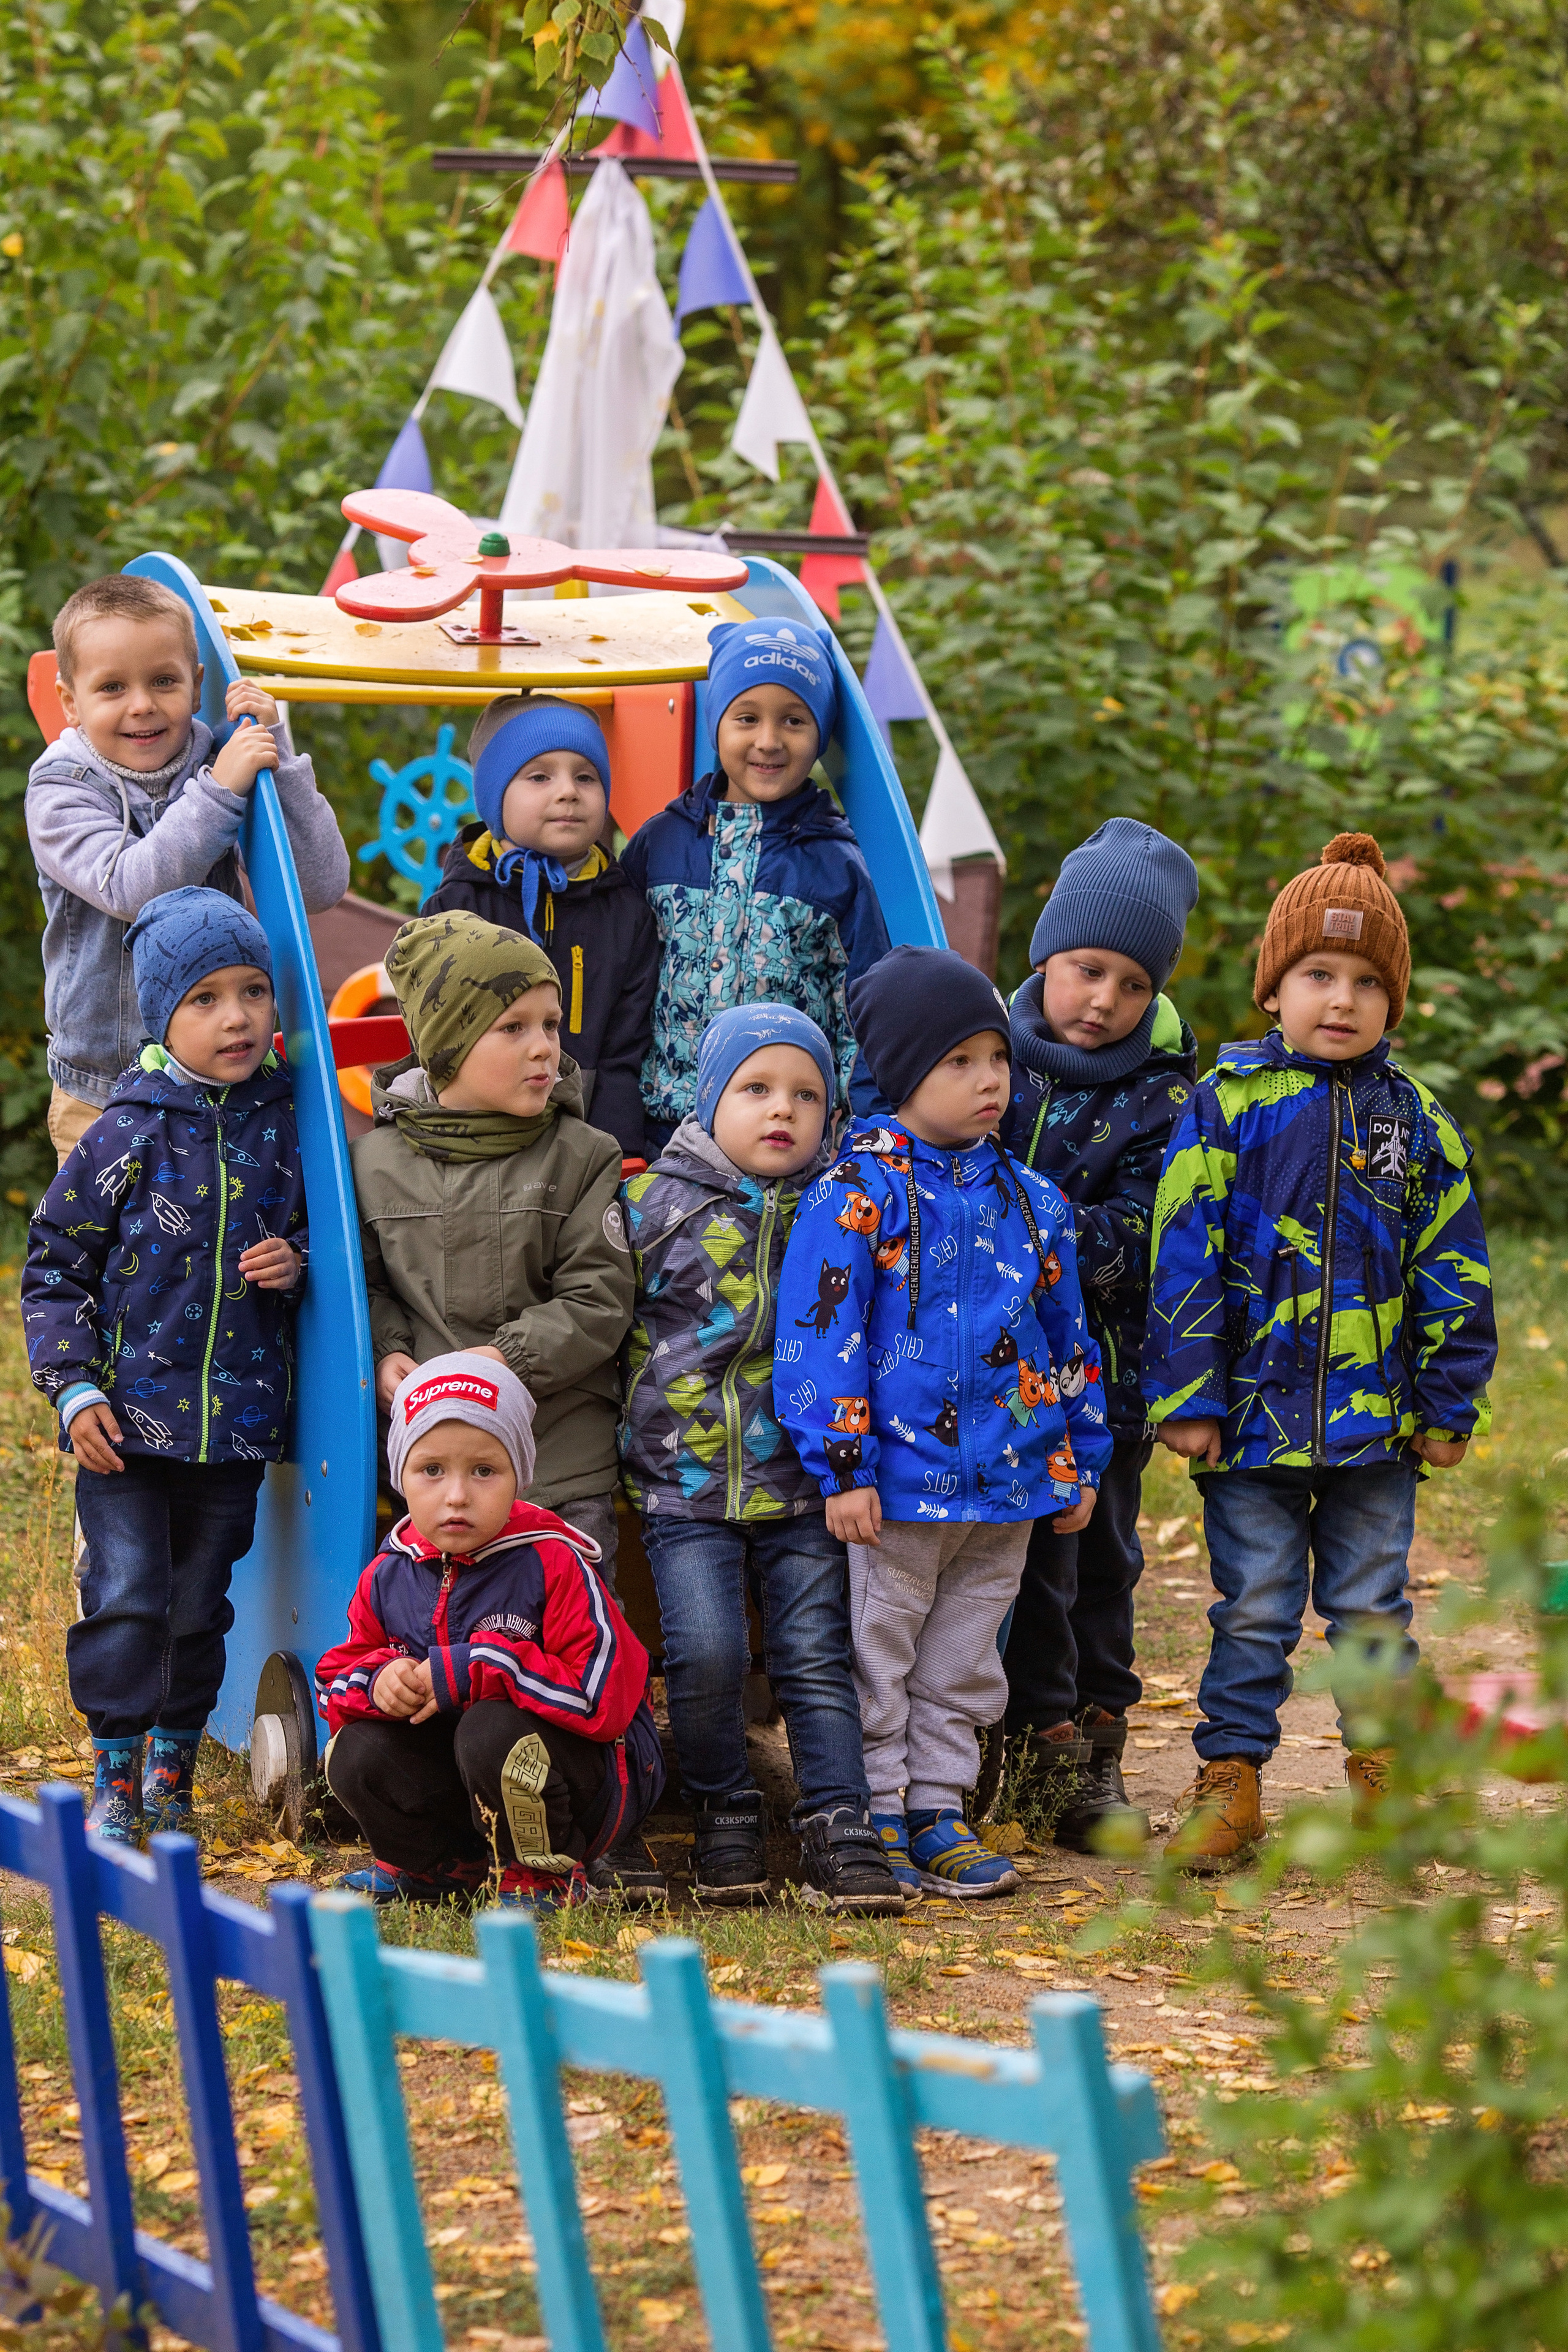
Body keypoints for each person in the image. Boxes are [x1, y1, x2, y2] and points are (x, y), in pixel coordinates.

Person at [1143, 832, 1497, 1871]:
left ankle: (1384, 1774)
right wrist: (1188, 1395)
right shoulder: (1225, 1108)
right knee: (1253, 1605)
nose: (1341, 1000)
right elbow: (1184, 1252)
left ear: (1395, 1002)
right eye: (1317, 976)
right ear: (1273, 989)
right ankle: (1232, 1782)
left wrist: (1448, 1403)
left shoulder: (1417, 1123)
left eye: (1366, 982)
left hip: (1376, 1429)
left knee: (1371, 1606)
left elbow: (1453, 1268)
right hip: (1250, 1423)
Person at [777, 946, 1113, 1898]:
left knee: (966, 1658)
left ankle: (939, 1809)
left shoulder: (1032, 1202)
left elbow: (1069, 1338)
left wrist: (1079, 1459)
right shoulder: (855, 1196)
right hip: (896, 1490)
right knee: (880, 1652)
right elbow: (820, 1338)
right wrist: (844, 1467)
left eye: (997, 1058)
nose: (989, 1080)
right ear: (901, 1072)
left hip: (1009, 1485)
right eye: (958, 1062)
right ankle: (880, 1810)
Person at [350, 911, 657, 1899]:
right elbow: (371, 1286)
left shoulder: (580, 1155)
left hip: (552, 1452)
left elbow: (599, 1298)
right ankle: (444, 1823)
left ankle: (596, 1818)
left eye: (551, 1026)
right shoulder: (376, 1161)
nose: (543, 1049)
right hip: (438, 1462)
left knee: (560, 1635)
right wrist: (390, 1354)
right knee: (434, 1633)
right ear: (445, 1045)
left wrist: (503, 1360)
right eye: (513, 1028)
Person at [20, 886, 307, 1844]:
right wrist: (74, 1388)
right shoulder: (125, 1130)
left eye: (253, 991)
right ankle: (116, 1772)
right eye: (205, 999)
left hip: (235, 1425)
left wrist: (297, 1261)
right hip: (124, 1427)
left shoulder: (291, 1124)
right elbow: (56, 1267)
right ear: (160, 1017)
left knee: (197, 1607)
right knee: (129, 1595)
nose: (236, 1018)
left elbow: (336, 1247)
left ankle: (172, 1771)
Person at [619, 1003, 903, 1914]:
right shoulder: (652, 1207)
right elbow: (604, 1318)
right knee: (706, 1652)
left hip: (806, 1483)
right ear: (710, 1101)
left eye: (806, 1095)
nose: (782, 1109)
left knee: (814, 1653)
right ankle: (725, 1811)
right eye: (756, 1088)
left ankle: (838, 1820)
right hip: (684, 1481)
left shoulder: (845, 1207)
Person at [997, 818, 1200, 1850]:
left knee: (1099, 1565)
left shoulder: (1164, 1098)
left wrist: (1013, 1225)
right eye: (1087, 970)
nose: (1105, 1001)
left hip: (1102, 1384)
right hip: (981, 1380)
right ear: (1046, 954)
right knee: (1009, 1566)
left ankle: (1097, 1745)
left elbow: (1140, 1239)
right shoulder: (985, 1055)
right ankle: (1020, 1741)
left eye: (1132, 983)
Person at [317, 1354, 664, 1910]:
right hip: (465, 1776)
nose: (457, 1495)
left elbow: (603, 1700)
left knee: (491, 1730)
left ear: (519, 1477)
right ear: (400, 1477)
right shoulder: (388, 1573)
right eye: (432, 1470)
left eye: (484, 1471)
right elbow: (333, 1679)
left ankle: (543, 1874)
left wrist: (480, 1667)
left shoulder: (553, 1562)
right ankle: (437, 1866)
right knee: (353, 1751)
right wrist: (379, 1681)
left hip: (583, 1784)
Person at [28, 574, 349, 1165]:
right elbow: (132, 889)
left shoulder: (220, 756)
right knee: (114, 1227)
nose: (142, 704)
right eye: (112, 687)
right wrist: (220, 792)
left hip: (226, 1075)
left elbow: (320, 885)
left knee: (227, 1219)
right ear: (71, 702)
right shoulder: (61, 789)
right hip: (105, 1089)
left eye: (163, 681)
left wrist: (275, 755)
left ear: (198, 685)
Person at [620, 619, 890, 1146]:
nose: (768, 741)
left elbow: (864, 1010)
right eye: (747, 718)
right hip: (665, 1131)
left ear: (820, 734)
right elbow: (621, 977)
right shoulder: (661, 844)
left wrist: (862, 1131)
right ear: (717, 724)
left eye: (793, 720)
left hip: (786, 1139)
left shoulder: (836, 865)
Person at [420, 699, 659, 1161]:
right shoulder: (457, 908)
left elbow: (625, 1051)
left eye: (586, 777)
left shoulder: (626, 912)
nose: (568, 791)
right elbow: (437, 1043)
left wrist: (618, 1156)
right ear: (495, 797)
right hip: (477, 1138)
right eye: (539, 777)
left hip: (588, 1138)